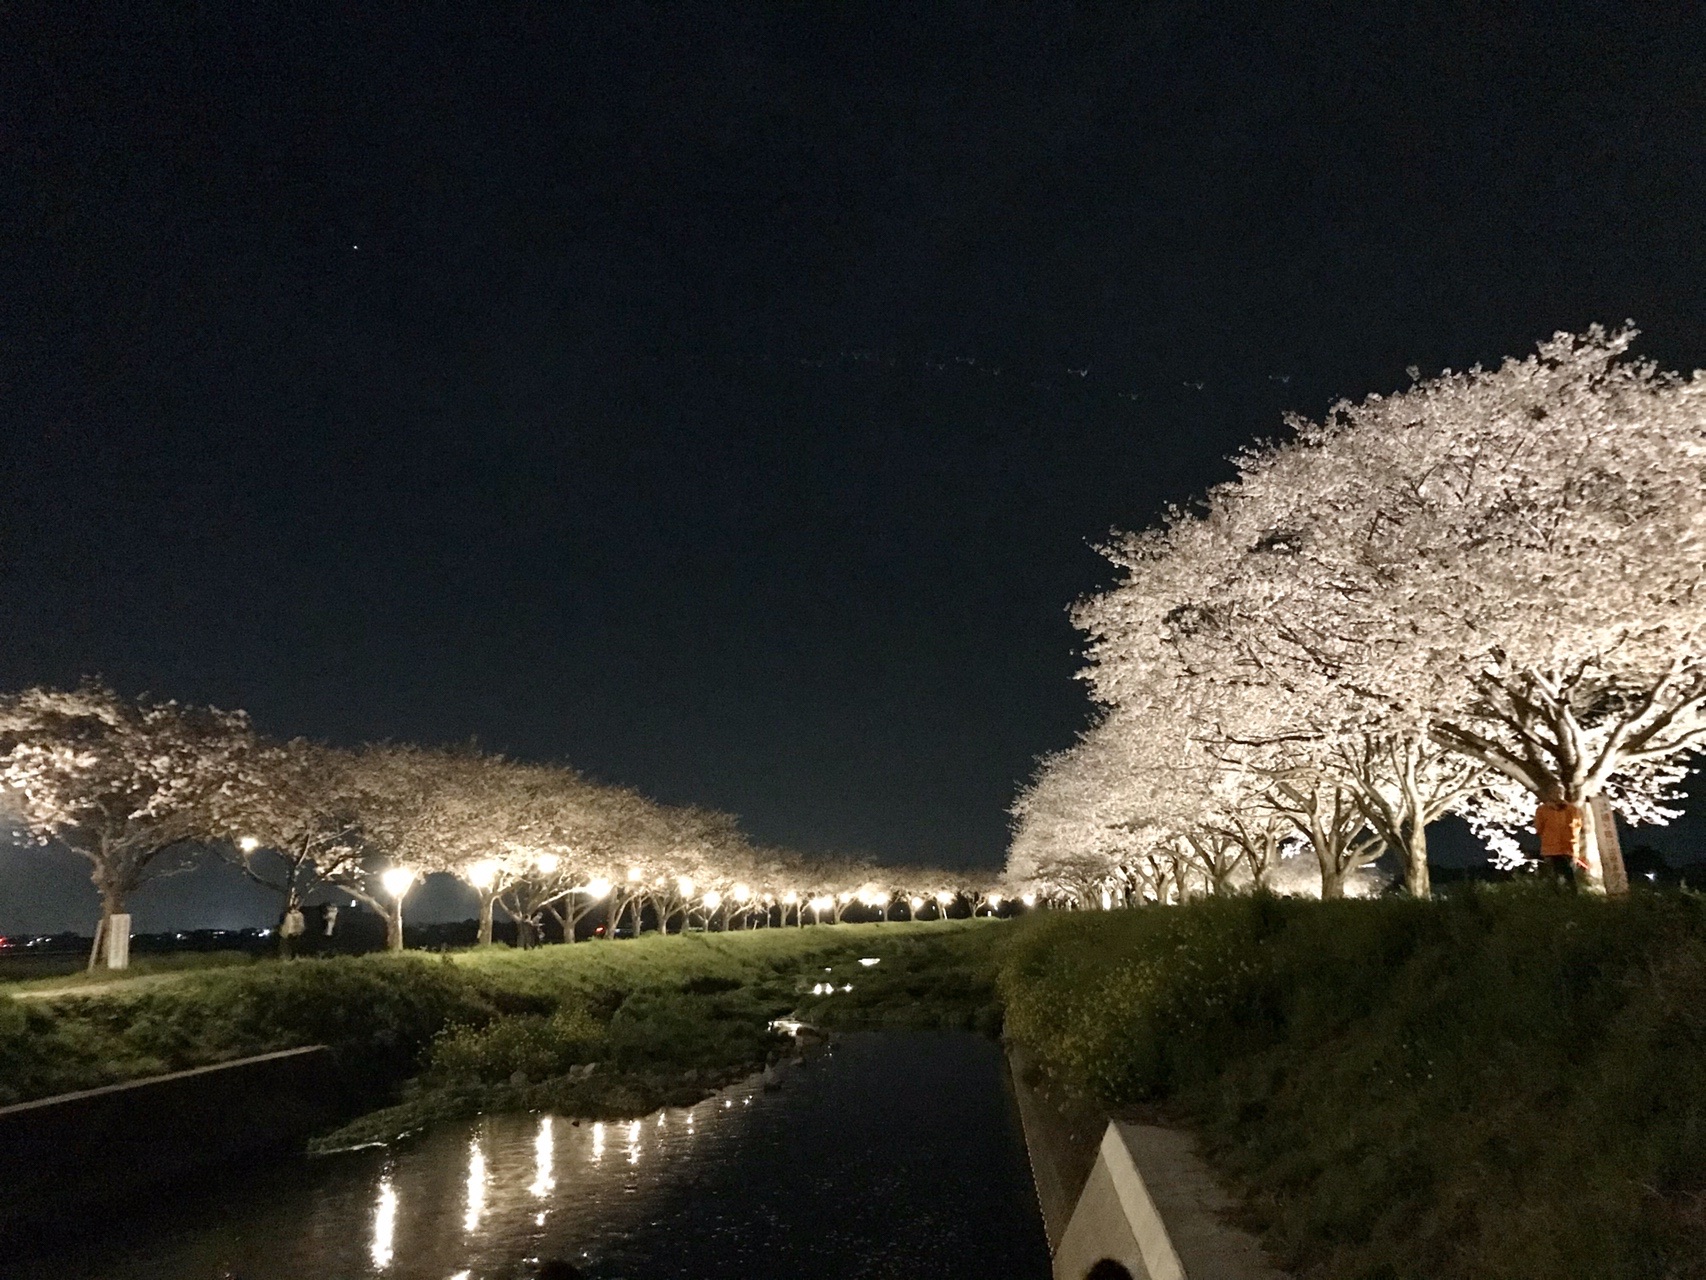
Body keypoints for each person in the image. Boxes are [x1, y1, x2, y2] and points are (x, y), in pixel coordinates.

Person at [1534, 797, 1581, 885]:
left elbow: (1577, 826)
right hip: (1556, 847)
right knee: (1565, 875)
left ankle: (1562, 894)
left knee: (1561, 876)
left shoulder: (1571, 809)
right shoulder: (1542, 810)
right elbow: (1538, 827)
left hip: (1564, 847)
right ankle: (1564, 894)